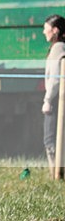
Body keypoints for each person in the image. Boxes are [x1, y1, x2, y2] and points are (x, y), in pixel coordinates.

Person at [42, 14, 65, 178]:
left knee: (50, 140)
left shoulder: (58, 49)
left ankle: (56, 175)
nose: (44, 32)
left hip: (56, 100)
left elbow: (56, 79)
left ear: (55, 30)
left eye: (46, 28)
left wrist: (48, 100)